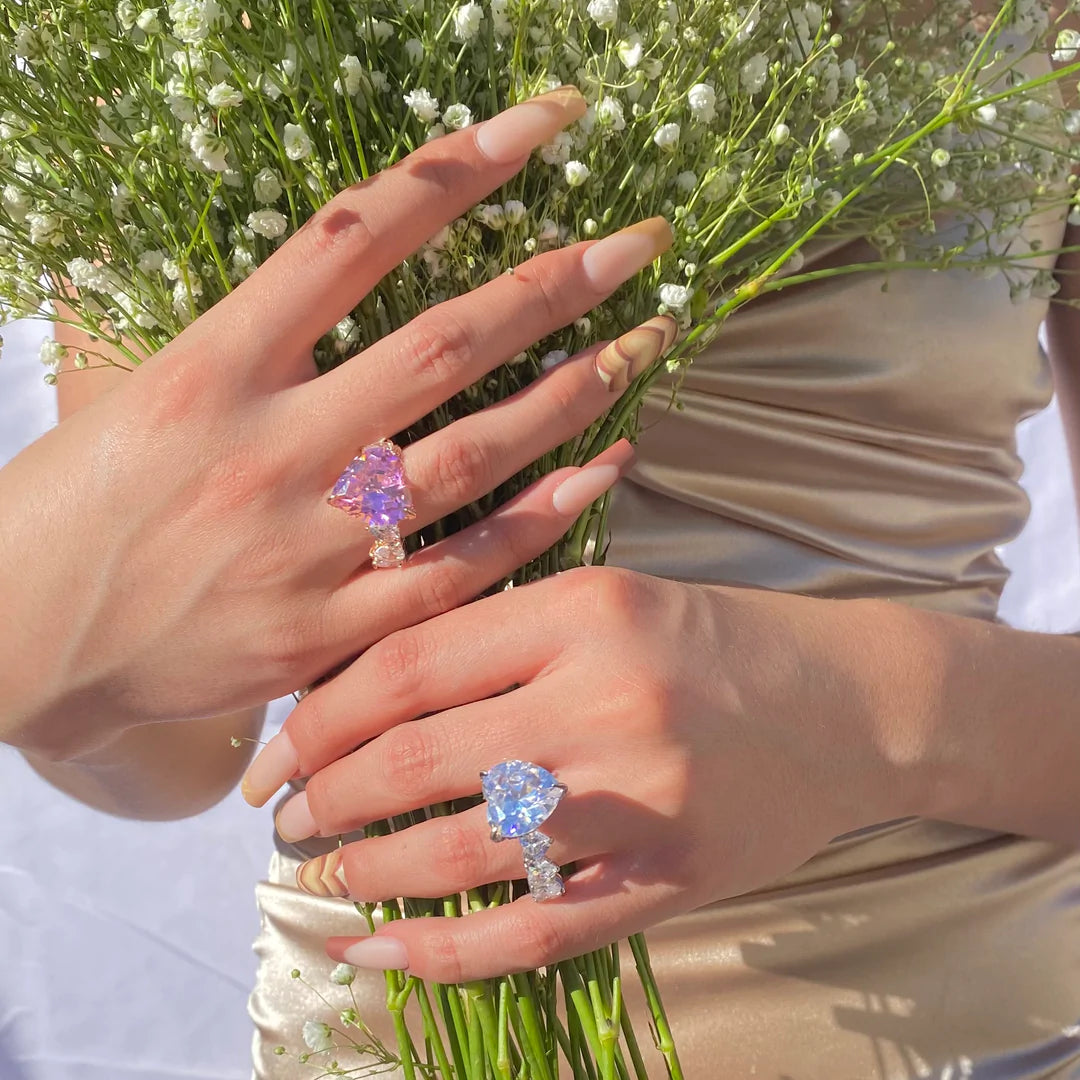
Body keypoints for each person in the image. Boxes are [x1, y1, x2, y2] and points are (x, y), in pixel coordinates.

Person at [3, 60, 1080, 1080]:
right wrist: (36, 656)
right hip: (400, 1025)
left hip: (960, 1026)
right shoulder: (156, 50)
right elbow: (189, 750)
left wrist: (874, 712)